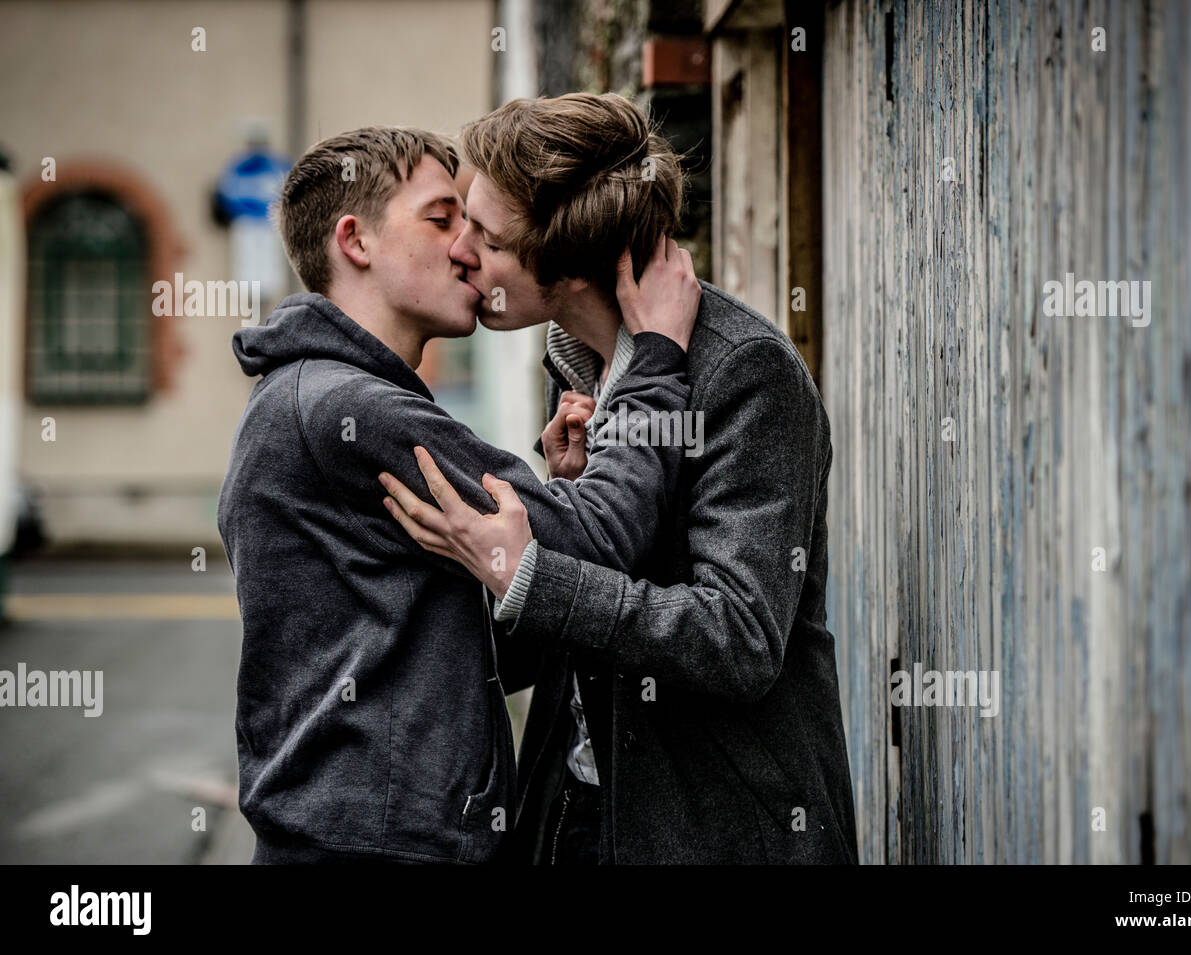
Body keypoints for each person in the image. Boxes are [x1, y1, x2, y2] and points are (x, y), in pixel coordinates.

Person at [381, 94, 858, 864]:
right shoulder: (576, 366)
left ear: (570, 267)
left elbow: (739, 639)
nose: (459, 251)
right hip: (580, 815)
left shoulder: (744, 374)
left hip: (717, 831)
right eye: (462, 219)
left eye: (488, 238)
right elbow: (583, 615)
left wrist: (532, 574)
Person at [217, 125, 699, 863]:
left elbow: (479, 648)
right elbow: (602, 540)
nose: (466, 247)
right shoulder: (352, 410)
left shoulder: (308, 396)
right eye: (442, 219)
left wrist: (558, 502)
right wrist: (657, 355)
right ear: (356, 241)